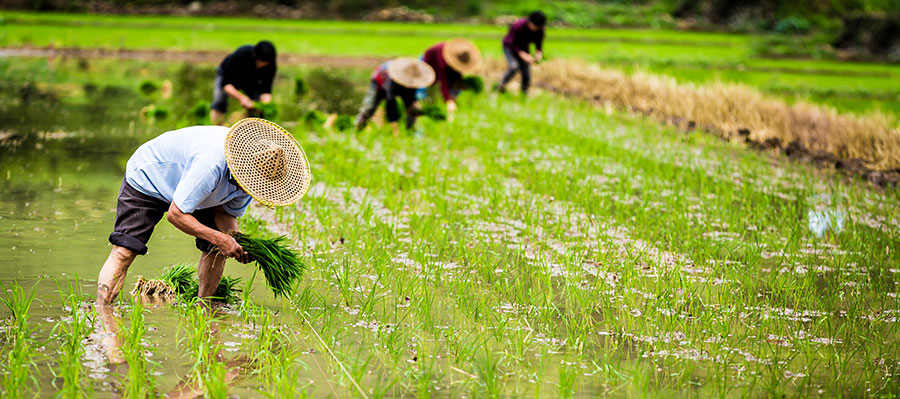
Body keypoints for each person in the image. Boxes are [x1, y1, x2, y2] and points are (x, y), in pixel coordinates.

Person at [95, 117, 311, 308]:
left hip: (196, 189)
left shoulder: (254, 179)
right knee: (125, 251)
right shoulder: (211, 164)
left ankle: (204, 308)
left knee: (217, 249)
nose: (251, 189)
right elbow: (176, 214)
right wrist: (219, 238)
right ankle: (101, 314)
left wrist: (235, 242)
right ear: (241, 167)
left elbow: (226, 215)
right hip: (150, 177)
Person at [355, 57, 435, 136]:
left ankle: (410, 130)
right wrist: (395, 129)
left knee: (411, 108)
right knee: (370, 107)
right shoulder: (393, 78)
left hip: (398, 85)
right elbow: (390, 103)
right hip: (379, 82)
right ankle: (357, 129)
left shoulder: (414, 82)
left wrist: (418, 110)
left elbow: (410, 100)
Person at [210, 41, 277, 125]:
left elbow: (266, 90)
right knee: (219, 103)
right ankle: (217, 129)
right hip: (228, 75)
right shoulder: (241, 55)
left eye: (265, 63)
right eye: (261, 62)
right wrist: (242, 98)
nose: (263, 65)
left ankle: (243, 129)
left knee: (255, 107)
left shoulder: (270, 65)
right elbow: (226, 85)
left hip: (251, 79)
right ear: (255, 57)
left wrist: (264, 105)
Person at [421, 38, 482, 121]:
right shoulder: (441, 61)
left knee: (453, 88)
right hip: (428, 64)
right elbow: (443, 81)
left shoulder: (457, 58)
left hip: (444, 67)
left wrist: (455, 93)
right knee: (430, 94)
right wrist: (448, 100)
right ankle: (429, 111)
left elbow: (457, 76)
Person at [497, 11, 547, 95]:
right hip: (509, 47)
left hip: (523, 48)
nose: (536, 28)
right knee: (514, 66)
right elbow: (510, 43)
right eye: (535, 26)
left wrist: (539, 53)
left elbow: (539, 43)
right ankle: (499, 86)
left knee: (526, 73)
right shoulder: (519, 26)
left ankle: (524, 94)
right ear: (530, 22)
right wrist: (522, 54)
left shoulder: (540, 29)